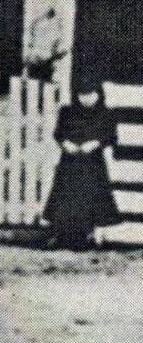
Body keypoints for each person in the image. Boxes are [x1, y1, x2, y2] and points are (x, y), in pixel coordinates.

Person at [43, 77, 122, 249]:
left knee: (93, 197)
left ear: (98, 94)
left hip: (93, 164)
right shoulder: (67, 111)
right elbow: (58, 133)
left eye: (90, 94)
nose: (86, 99)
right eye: (82, 95)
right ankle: (59, 234)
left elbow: (111, 136)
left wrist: (96, 143)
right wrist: (66, 144)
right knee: (65, 196)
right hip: (70, 163)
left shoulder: (106, 114)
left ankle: (92, 235)